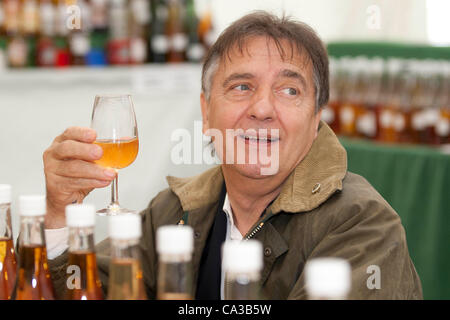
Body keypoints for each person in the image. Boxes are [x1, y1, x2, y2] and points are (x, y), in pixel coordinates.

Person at [41, 11, 422, 299]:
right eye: (242, 86)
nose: (262, 109)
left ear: (316, 117)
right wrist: (60, 215)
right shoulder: (175, 211)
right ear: (206, 113)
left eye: (290, 90)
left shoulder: (363, 225)